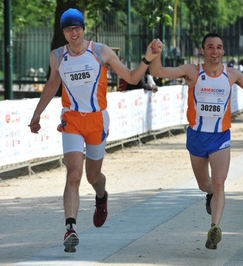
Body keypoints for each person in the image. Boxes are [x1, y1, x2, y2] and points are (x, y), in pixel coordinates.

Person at [28, 8, 162, 253]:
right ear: (63, 32)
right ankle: (70, 228)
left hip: (97, 121)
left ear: (83, 28)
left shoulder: (100, 51)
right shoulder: (57, 56)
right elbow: (52, 85)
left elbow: (132, 78)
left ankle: (101, 196)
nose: (73, 32)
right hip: (71, 121)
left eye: (77, 27)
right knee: (74, 175)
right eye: (68, 29)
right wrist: (37, 114)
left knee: (92, 177)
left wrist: (147, 58)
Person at [149, 32, 243, 250]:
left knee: (219, 182)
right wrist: (156, 54)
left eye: (219, 47)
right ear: (203, 50)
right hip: (196, 136)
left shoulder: (231, 74)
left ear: (223, 51)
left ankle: (214, 228)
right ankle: (209, 194)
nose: (215, 51)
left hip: (220, 136)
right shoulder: (192, 71)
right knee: (205, 185)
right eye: (210, 47)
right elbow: (158, 71)